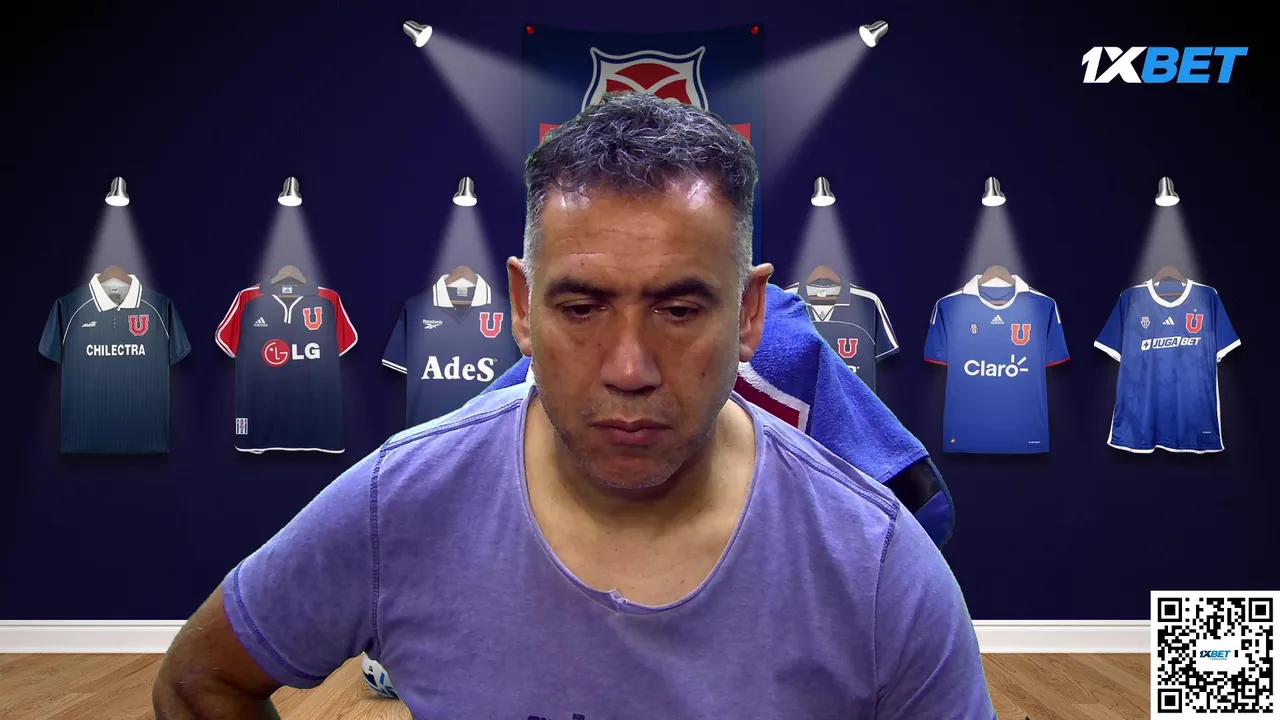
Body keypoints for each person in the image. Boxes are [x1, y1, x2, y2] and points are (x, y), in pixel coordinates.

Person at [153, 90, 996, 718]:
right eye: (582, 307)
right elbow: (200, 682)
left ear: (748, 315)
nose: (629, 368)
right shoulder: (397, 505)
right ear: (523, 308)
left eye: (678, 309)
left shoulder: (878, 566)